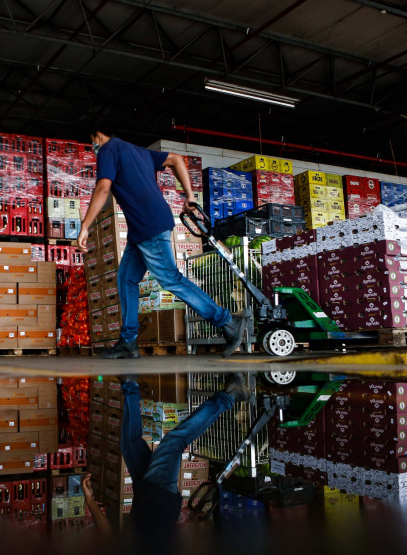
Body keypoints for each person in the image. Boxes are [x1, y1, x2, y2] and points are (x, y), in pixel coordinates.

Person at [78, 125, 245, 358]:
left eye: (92, 143)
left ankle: (227, 321)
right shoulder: (138, 151)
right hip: (142, 229)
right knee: (126, 278)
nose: (93, 148)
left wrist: (85, 226)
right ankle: (128, 341)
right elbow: (176, 159)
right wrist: (189, 195)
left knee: (170, 279)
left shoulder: (108, 149)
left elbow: (103, 187)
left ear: (97, 135)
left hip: (149, 226)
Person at [84, 374, 253, 537]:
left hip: (144, 495)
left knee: (130, 443)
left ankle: (130, 383)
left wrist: (91, 500)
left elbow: (108, 536)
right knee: (174, 441)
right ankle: (230, 396)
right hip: (158, 498)